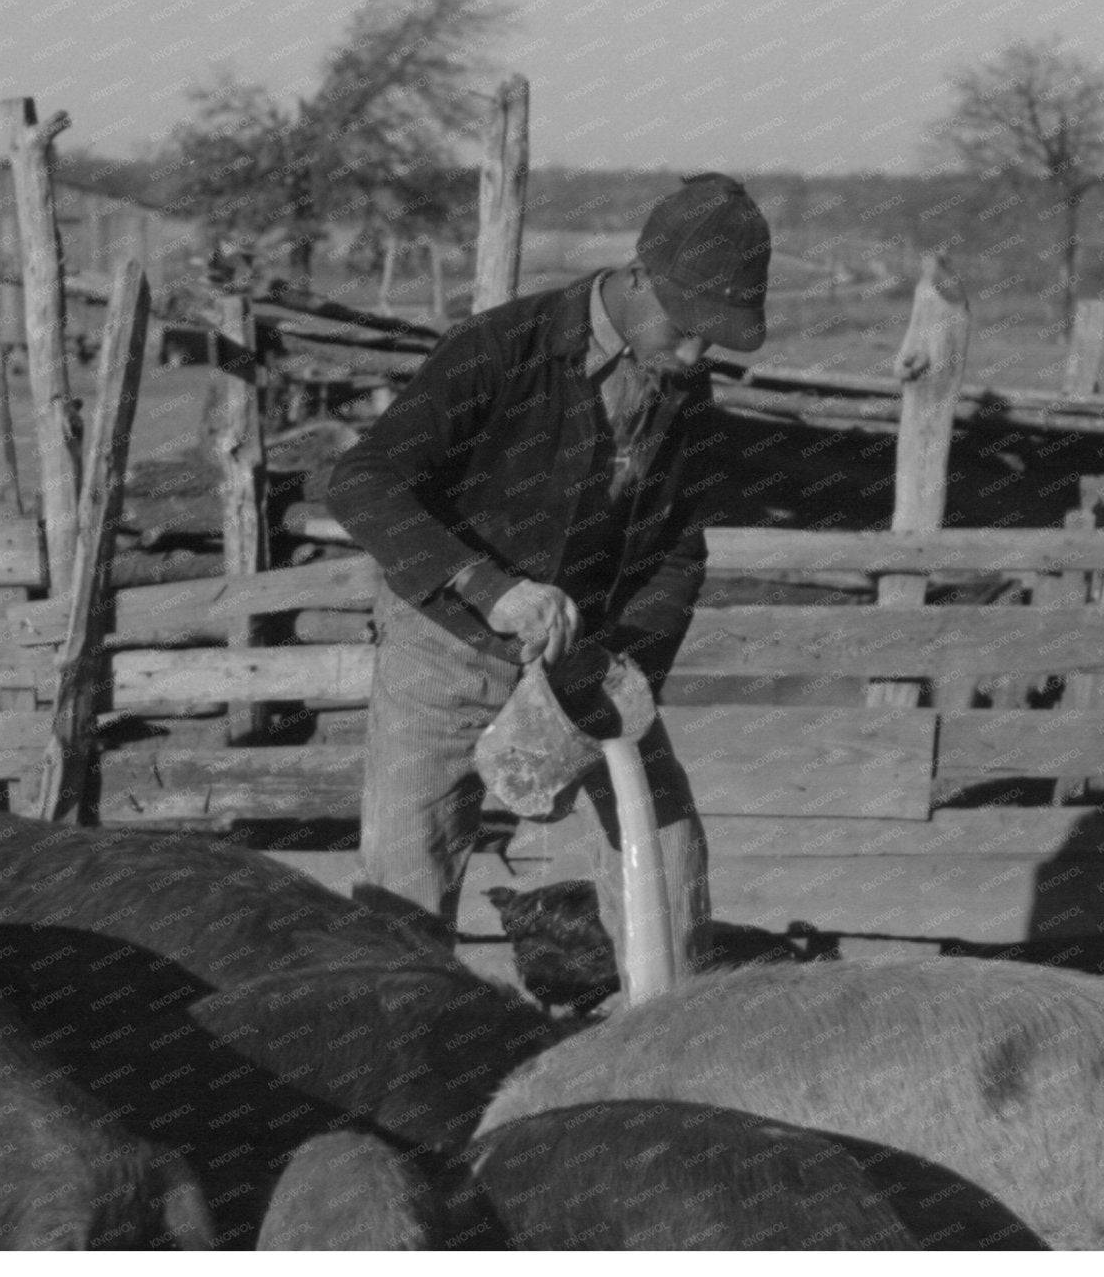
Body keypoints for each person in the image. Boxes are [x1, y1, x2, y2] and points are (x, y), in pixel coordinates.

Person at [325, 172, 771, 990]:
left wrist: (627, 664)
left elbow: (679, 549)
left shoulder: (685, 396)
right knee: (406, 881)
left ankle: (659, 1049)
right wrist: (490, 587)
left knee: (666, 852)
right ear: (638, 276)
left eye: (718, 337)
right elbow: (362, 482)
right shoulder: (500, 349)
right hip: (446, 650)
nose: (699, 353)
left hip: (589, 662)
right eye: (688, 326)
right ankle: (400, 1053)